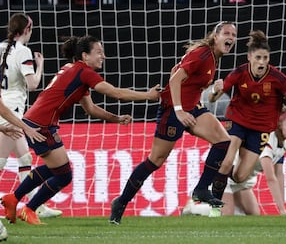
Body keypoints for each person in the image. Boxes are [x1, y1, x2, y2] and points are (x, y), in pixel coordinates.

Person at [0, 34, 161, 225]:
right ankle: (26, 207)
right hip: (40, 124)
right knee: (63, 173)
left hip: (40, 121)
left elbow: (90, 109)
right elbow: (115, 92)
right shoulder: (84, 72)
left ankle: (16, 200)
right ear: (85, 56)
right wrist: (148, 95)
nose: (104, 56)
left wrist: (116, 119)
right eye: (99, 52)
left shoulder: (75, 71)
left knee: (60, 171)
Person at [109, 21, 237, 224]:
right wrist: (178, 110)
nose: (231, 37)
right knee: (155, 161)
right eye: (227, 33)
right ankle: (121, 202)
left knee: (223, 141)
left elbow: (176, 71)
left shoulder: (212, 57)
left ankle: (202, 189)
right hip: (173, 111)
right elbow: (174, 80)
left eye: (234, 35)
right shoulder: (203, 55)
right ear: (215, 36)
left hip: (192, 108)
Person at [208, 30, 286, 201]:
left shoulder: (278, 78)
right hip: (237, 120)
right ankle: (214, 204)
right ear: (249, 57)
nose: (262, 62)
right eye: (258, 58)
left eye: (265, 58)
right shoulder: (239, 73)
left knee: (240, 176)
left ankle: (220, 174)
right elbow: (213, 98)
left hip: (260, 129)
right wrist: (214, 89)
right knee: (227, 162)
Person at [0, 13, 62, 219]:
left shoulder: (0, 47)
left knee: (25, 157)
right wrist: (40, 64)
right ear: (27, 30)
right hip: (12, 112)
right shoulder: (24, 51)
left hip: (3, 105)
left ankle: (36, 206)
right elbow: (33, 84)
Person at [221, 108, 286, 216]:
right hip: (226, 177)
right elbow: (270, 178)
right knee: (226, 214)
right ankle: (195, 209)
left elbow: (279, 174)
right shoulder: (266, 141)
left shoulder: (284, 145)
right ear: (279, 125)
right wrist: (281, 210)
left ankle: (234, 209)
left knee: (254, 215)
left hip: (243, 182)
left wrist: (283, 208)